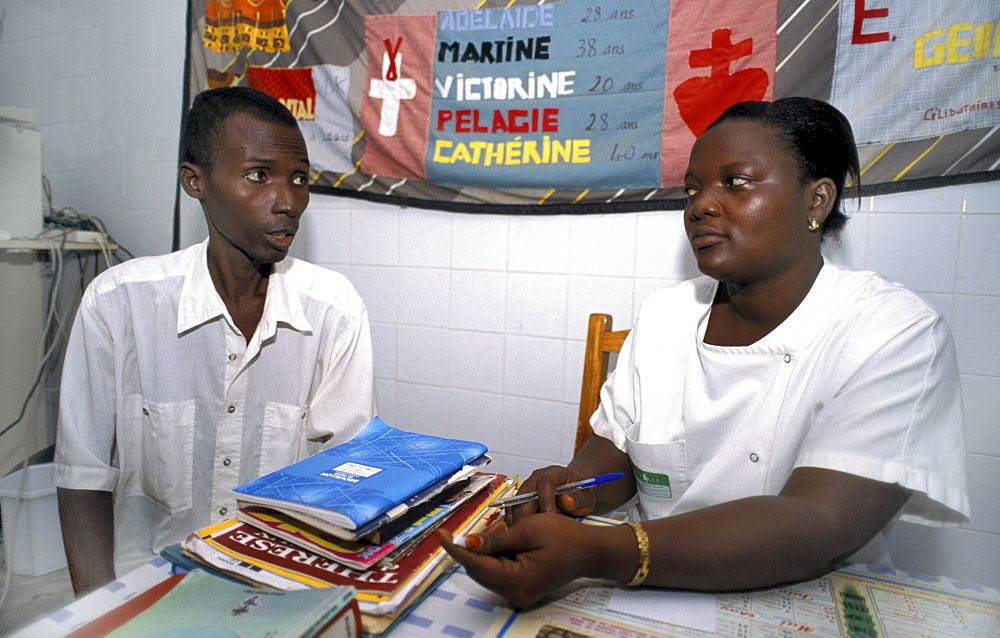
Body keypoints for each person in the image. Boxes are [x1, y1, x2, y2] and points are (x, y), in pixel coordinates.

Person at [439, 97, 969, 607]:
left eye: (735, 183)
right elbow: (621, 451)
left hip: (806, 600)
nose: (701, 206)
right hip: (649, 584)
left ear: (816, 200)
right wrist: (575, 487)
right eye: (693, 189)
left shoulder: (894, 332)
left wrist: (603, 551)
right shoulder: (666, 314)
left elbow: (817, 524)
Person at [53, 87, 377, 596]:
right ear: (195, 181)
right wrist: (97, 619)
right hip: (150, 589)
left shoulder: (333, 309)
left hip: (282, 592)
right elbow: (83, 476)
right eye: (258, 175)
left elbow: (348, 482)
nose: (288, 201)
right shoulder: (119, 303)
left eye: (298, 178)